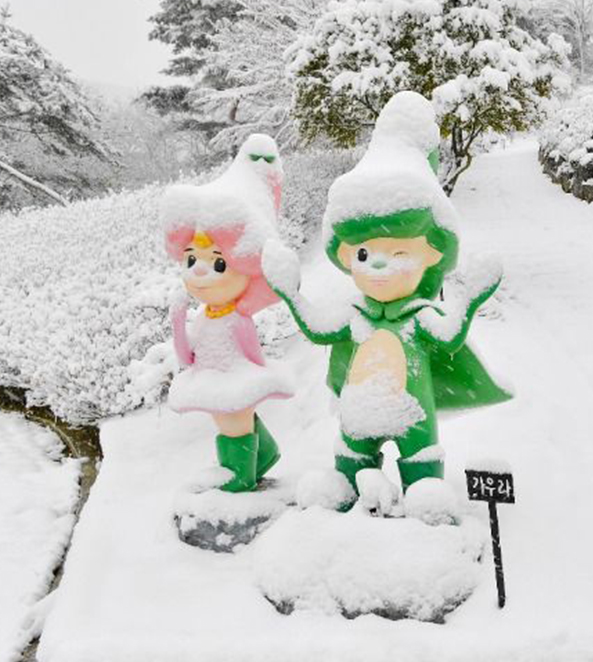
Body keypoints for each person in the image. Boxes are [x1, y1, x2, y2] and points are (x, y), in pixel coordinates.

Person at [264, 91, 510, 511]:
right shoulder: (357, 315)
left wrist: (469, 300)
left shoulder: (418, 317)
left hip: (413, 414)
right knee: (349, 468)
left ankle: (423, 504)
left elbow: (449, 338)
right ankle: (345, 498)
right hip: (358, 416)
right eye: (363, 255)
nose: (377, 265)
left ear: (431, 255)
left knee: (422, 477)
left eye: (398, 253)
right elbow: (319, 330)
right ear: (346, 256)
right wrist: (291, 295)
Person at [160, 134, 294, 492]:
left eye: (218, 263)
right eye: (191, 261)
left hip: (234, 378)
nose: (200, 272)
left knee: (233, 421)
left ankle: (240, 477)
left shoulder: (237, 318)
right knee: (231, 420)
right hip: (210, 378)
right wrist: (178, 320)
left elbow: (252, 353)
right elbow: (187, 358)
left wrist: (259, 373)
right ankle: (264, 454)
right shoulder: (206, 316)